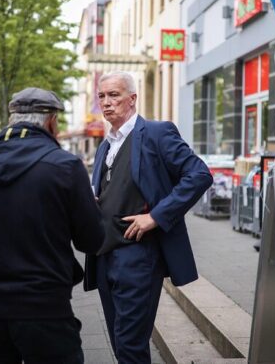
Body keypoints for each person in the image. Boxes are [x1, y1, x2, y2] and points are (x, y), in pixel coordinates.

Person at [0, 87, 105, 363]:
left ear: (12, 120)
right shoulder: (66, 166)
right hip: (43, 306)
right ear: (51, 121)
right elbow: (91, 241)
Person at [84, 71, 213, 362]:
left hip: (138, 257)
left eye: (114, 95)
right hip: (105, 256)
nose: (106, 103)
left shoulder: (156, 133)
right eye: (101, 96)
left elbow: (199, 174)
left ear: (132, 99)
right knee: (120, 344)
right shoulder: (106, 145)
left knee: (131, 347)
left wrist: (155, 216)